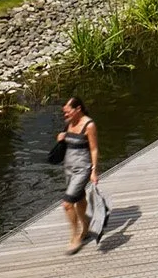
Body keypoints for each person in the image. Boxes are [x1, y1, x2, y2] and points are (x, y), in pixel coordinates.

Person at [57, 96, 99, 255]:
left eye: (68, 112)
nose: (65, 115)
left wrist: (94, 171)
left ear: (78, 109)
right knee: (79, 198)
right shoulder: (68, 123)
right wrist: (61, 137)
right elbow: (65, 141)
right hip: (68, 167)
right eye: (64, 113)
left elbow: (94, 149)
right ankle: (86, 226)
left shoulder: (89, 125)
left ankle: (75, 237)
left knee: (67, 203)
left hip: (83, 169)